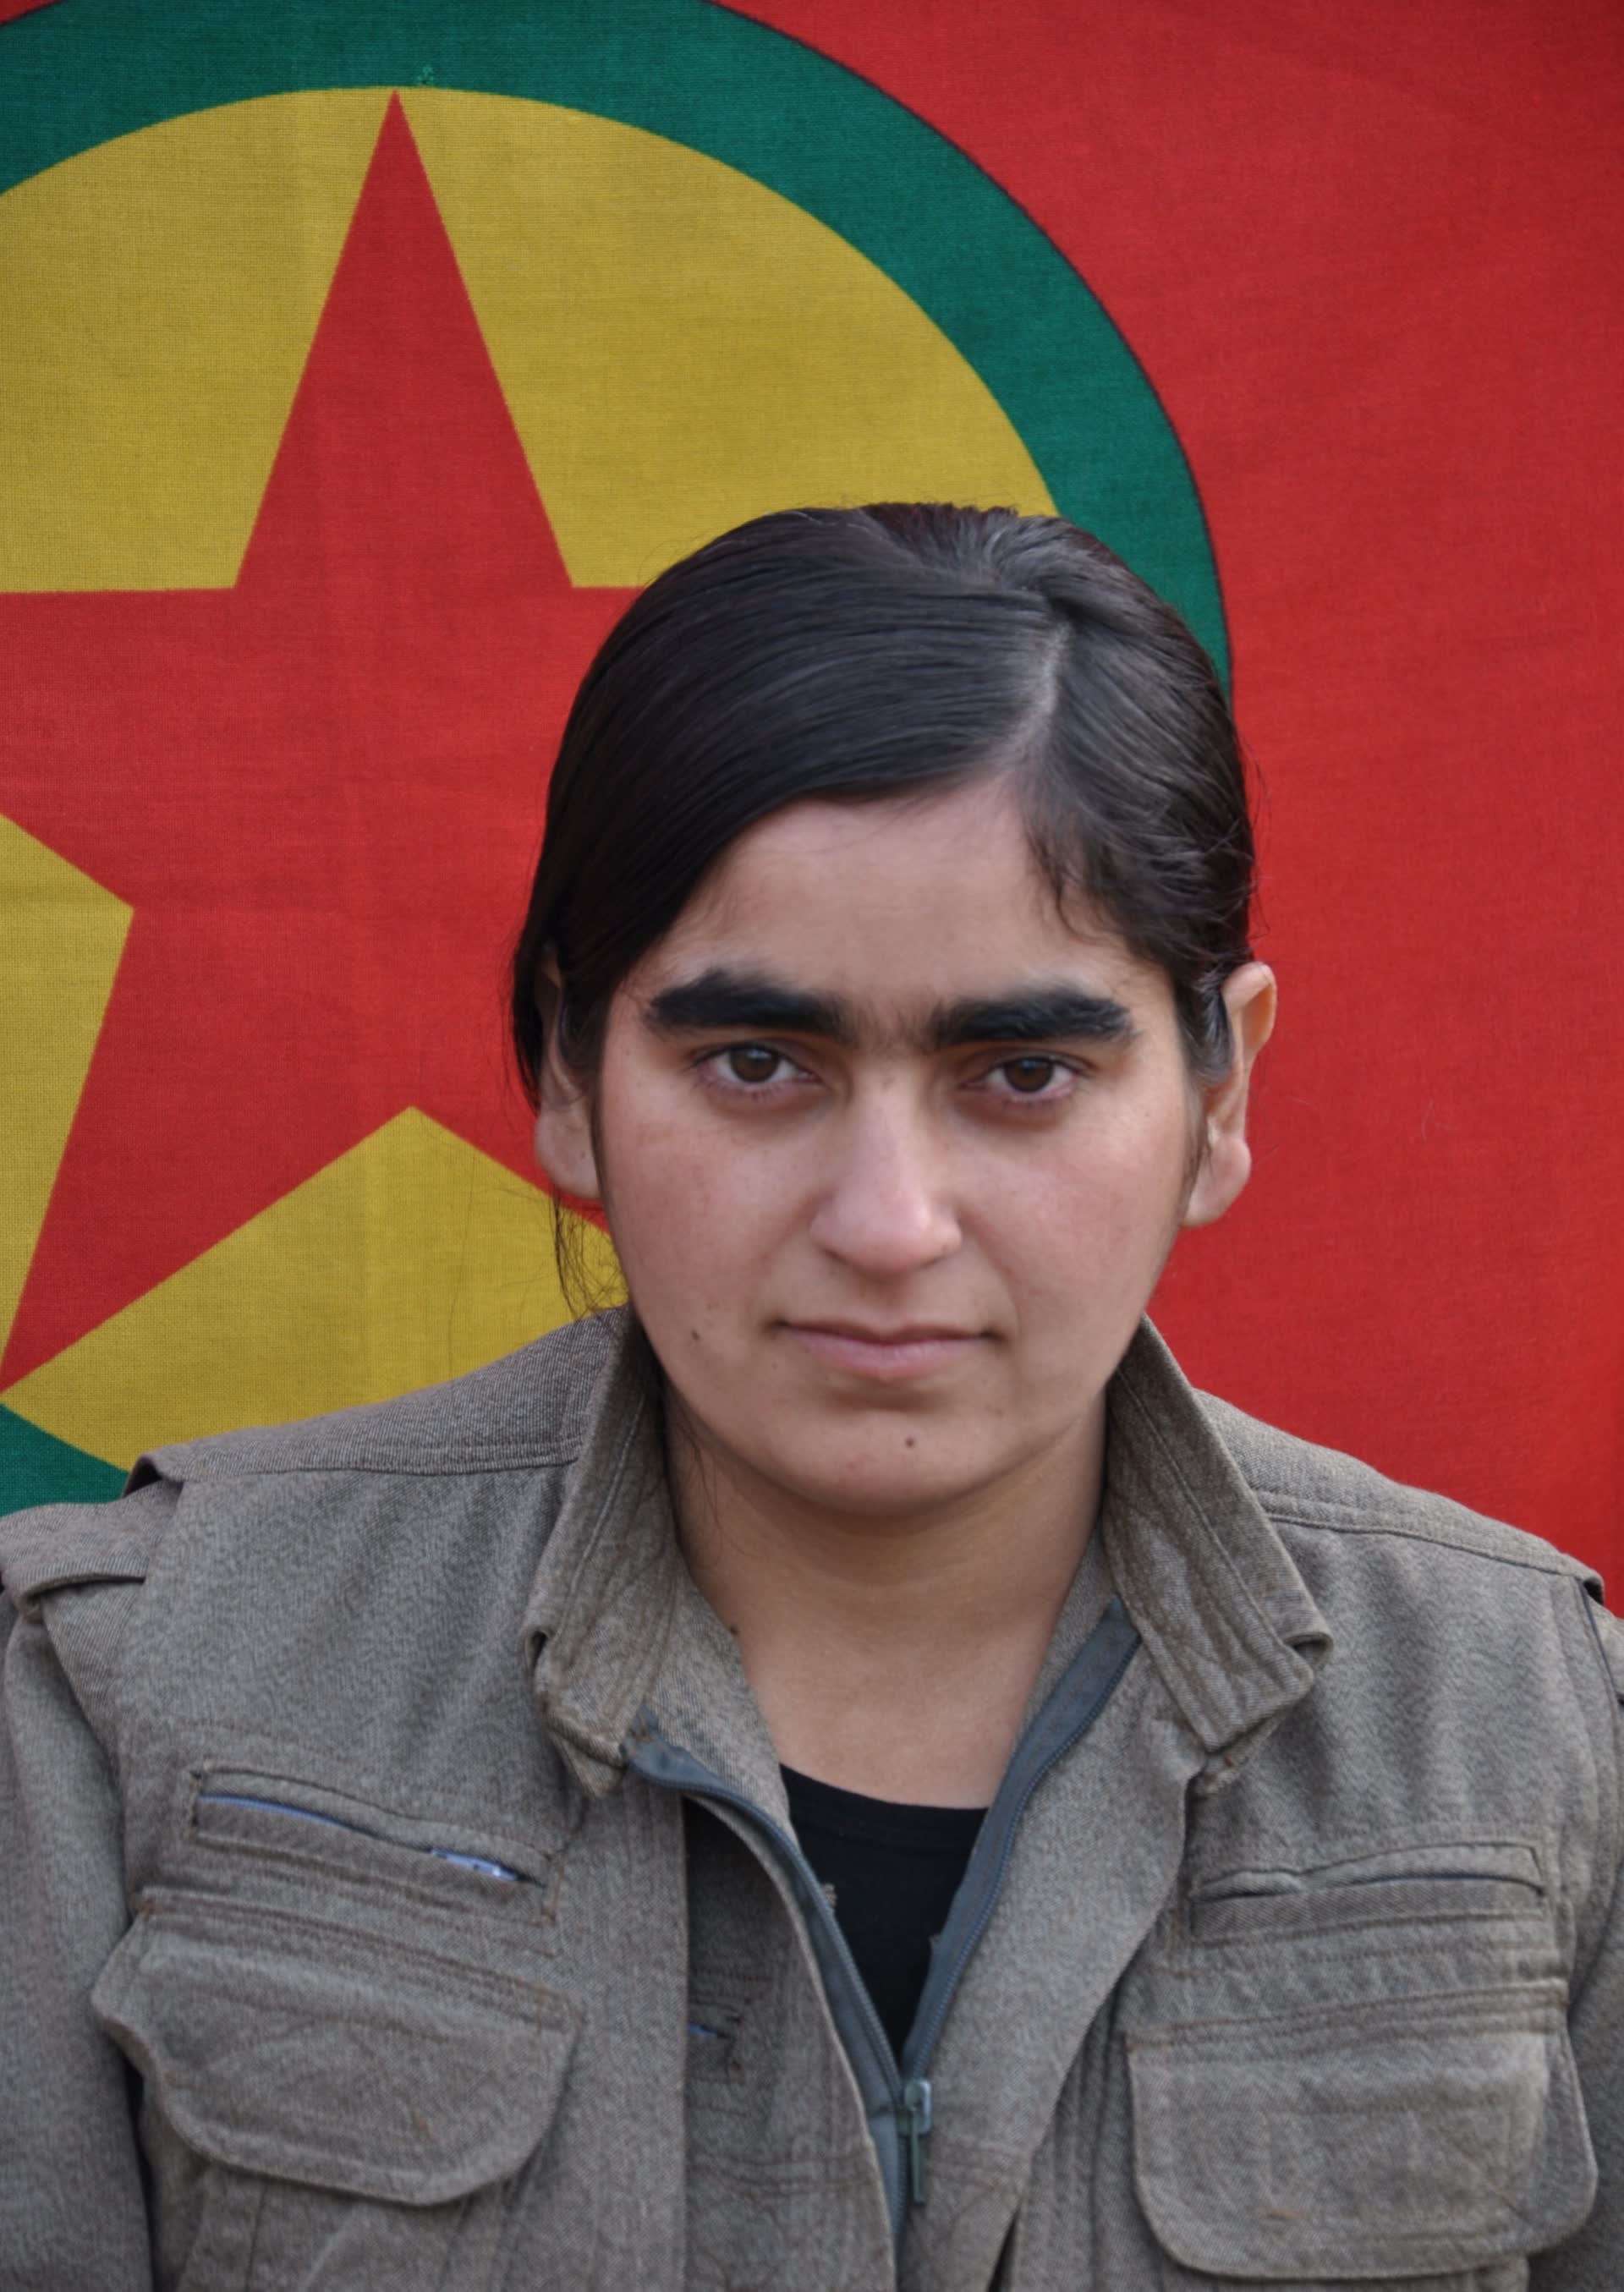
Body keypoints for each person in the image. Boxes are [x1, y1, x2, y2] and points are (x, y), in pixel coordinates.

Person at [1, 504, 1618, 2292]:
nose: (888, 1223)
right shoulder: (123, 1690)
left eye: (1023, 1071)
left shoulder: (1536, 1733)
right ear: (566, 1075)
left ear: (1219, 1094)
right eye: (760, 1061)